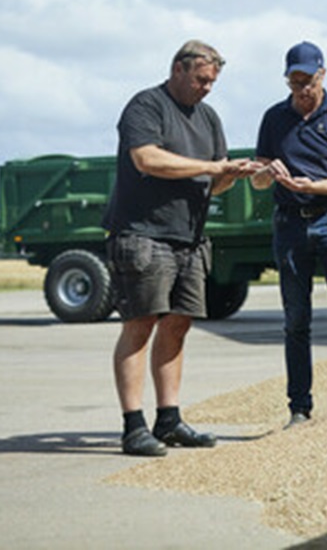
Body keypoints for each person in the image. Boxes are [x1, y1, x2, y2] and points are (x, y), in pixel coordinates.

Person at [103, 40, 256, 457]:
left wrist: (234, 174)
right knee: (141, 323)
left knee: (178, 325)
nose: (208, 88)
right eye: (202, 79)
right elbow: (147, 159)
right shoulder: (146, 106)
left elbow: (215, 180)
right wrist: (211, 167)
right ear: (178, 69)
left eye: (213, 82)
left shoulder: (208, 117)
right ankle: (133, 426)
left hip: (189, 239)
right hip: (142, 235)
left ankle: (168, 420)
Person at [251, 40, 327, 429]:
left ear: (323, 74)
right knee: (296, 318)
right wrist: (266, 174)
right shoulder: (273, 118)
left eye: (308, 80)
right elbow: (256, 180)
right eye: (294, 81)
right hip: (289, 223)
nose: (301, 89)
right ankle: (299, 408)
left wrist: (312, 186)